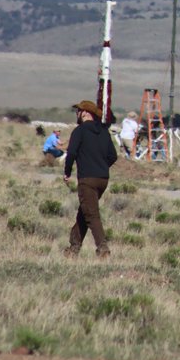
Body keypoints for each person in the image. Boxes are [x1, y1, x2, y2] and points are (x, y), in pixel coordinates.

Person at [63, 99, 117, 258]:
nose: (77, 114)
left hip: (87, 179)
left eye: (78, 111)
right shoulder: (104, 131)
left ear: (85, 113)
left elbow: (71, 153)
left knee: (91, 214)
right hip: (102, 179)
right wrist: (101, 165)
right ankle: (73, 248)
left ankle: (103, 249)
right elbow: (112, 156)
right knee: (85, 212)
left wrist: (67, 172)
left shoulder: (79, 131)